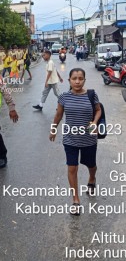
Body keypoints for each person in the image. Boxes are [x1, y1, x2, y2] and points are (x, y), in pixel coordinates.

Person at [49, 68, 101, 215]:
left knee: (91, 165)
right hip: (70, 139)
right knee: (72, 168)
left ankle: (92, 178)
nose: (77, 81)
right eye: (74, 78)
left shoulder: (91, 95)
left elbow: (98, 110)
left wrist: (95, 122)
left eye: (80, 78)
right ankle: (75, 200)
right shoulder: (64, 97)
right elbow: (58, 114)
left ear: (84, 80)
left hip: (89, 139)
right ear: (69, 80)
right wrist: (53, 129)